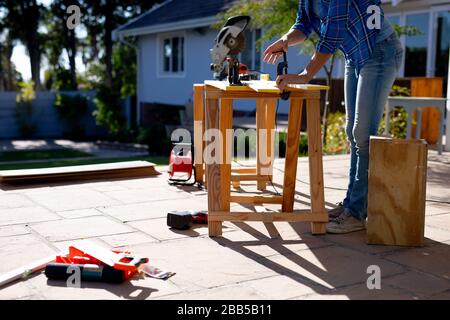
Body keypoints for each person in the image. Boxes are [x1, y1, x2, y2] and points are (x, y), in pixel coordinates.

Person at [264, 0, 404, 234]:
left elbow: (333, 32)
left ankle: (357, 213)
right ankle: (351, 203)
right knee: (353, 133)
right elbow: (304, 24)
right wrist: (286, 40)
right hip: (355, 55)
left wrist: (305, 75)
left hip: (380, 51)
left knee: (363, 134)